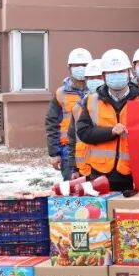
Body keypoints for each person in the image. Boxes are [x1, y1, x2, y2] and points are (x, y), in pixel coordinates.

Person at [75, 50, 139, 193]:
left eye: (120, 71)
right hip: (99, 175)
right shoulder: (92, 100)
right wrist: (111, 132)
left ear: (129, 72)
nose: (116, 75)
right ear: (104, 76)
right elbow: (83, 132)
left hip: (131, 175)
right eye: (111, 72)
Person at [45, 48, 92, 180]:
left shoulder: (97, 90)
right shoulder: (61, 93)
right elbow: (51, 123)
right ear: (69, 68)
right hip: (68, 152)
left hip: (93, 148)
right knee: (72, 189)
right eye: (76, 65)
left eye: (84, 65)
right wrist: (54, 153)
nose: (81, 68)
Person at [67, 59, 104, 181]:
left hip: (107, 169)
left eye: (98, 77)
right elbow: (73, 138)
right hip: (84, 170)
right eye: (91, 78)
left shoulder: (113, 104)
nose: (94, 81)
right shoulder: (78, 107)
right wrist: (74, 168)